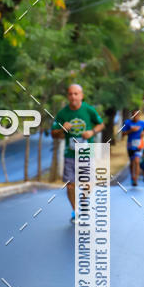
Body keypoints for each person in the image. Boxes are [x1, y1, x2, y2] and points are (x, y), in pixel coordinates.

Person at [51, 84, 104, 222]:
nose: (73, 96)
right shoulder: (63, 113)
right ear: (68, 96)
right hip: (70, 153)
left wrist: (92, 132)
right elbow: (53, 133)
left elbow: (101, 124)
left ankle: (84, 202)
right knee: (70, 184)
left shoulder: (89, 110)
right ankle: (75, 212)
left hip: (86, 151)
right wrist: (62, 129)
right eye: (70, 94)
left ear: (81, 95)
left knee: (87, 183)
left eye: (76, 94)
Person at [121, 111, 144, 186]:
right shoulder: (127, 123)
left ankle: (135, 178)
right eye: (133, 115)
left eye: (137, 115)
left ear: (139, 116)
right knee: (132, 162)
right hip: (130, 144)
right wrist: (131, 130)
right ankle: (132, 177)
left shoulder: (142, 123)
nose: (135, 117)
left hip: (139, 144)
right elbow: (123, 133)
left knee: (137, 160)